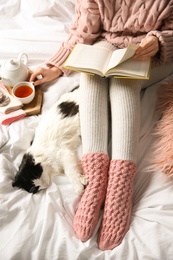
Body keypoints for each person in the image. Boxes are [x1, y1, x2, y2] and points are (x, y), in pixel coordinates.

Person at [30, 0, 173, 250]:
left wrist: (158, 42)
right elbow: (85, 31)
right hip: (108, 43)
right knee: (90, 76)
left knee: (123, 82)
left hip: (155, 54)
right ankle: (95, 178)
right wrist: (55, 65)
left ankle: (121, 184)